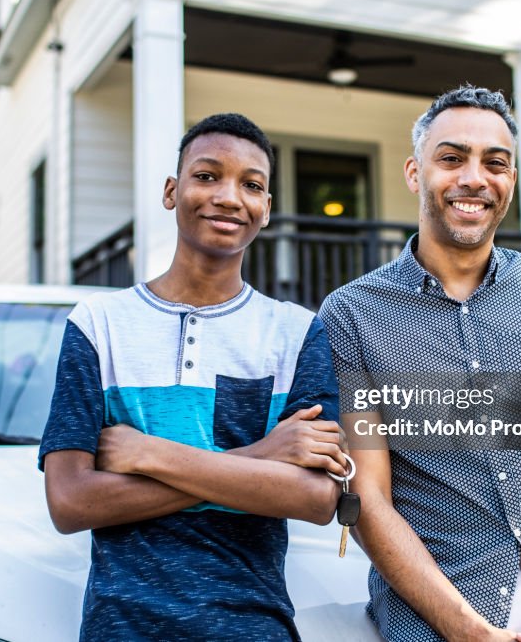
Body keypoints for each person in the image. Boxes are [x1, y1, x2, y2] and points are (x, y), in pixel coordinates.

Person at [319, 85, 521, 642]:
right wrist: (469, 632)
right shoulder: (350, 315)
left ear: (510, 181)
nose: (474, 178)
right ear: (415, 173)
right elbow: (368, 499)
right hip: (440, 619)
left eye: (496, 163)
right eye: (451, 158)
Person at [39, 113, 347, 641]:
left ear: (266, 210)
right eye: (207, 176)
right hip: (123, 627)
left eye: (252, 185)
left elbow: (316, 500)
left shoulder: (298, 334)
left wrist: (149, 455)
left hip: (254, 626)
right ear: (170, 191)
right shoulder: (99, 326)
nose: (229, 197)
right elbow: (70, 503)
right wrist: (263, 456)